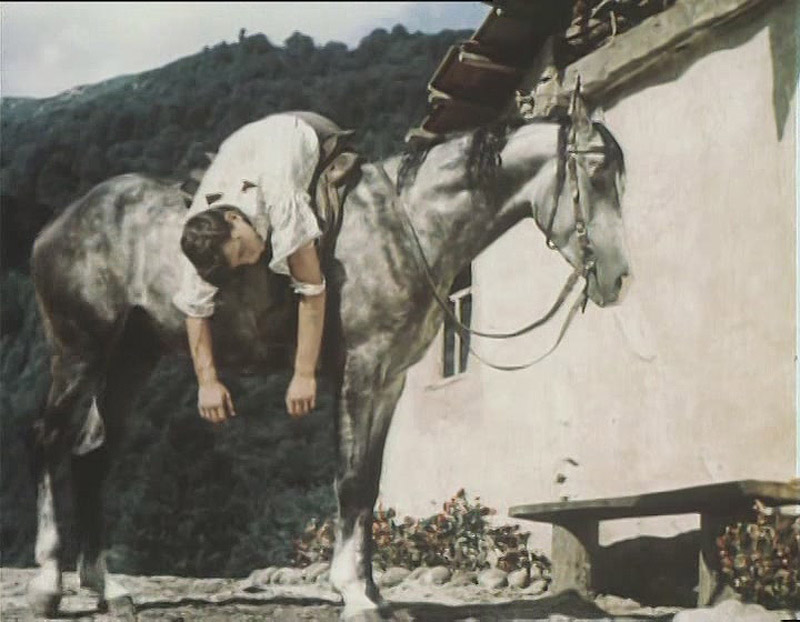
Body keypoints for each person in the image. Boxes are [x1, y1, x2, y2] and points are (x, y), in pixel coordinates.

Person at [173, 113, 327, 422]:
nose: (252, 260)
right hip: (237, 147)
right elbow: (195, 311)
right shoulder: (201, 236)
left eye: (243, 250)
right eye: (240, 263)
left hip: (291, 129)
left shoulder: (280, 197)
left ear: (233, 218)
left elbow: (312, 290)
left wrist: (304, 374)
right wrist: (207, 382)